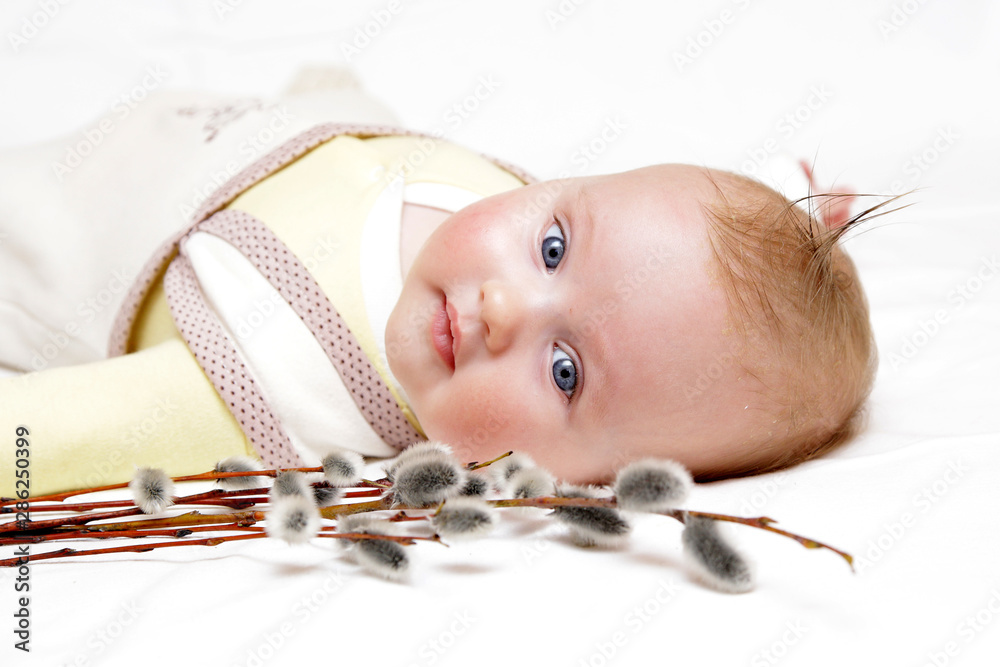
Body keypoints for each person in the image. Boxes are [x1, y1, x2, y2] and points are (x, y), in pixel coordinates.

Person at [0, 79, 876, 498]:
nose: (506, 309)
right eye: (555, 245)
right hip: (213, 119)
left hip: (51, 221)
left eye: (565, 371)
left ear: (586, 480)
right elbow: (677, 255)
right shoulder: (538, 223)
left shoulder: (285, 380)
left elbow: (51, 435)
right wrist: (786, 193)